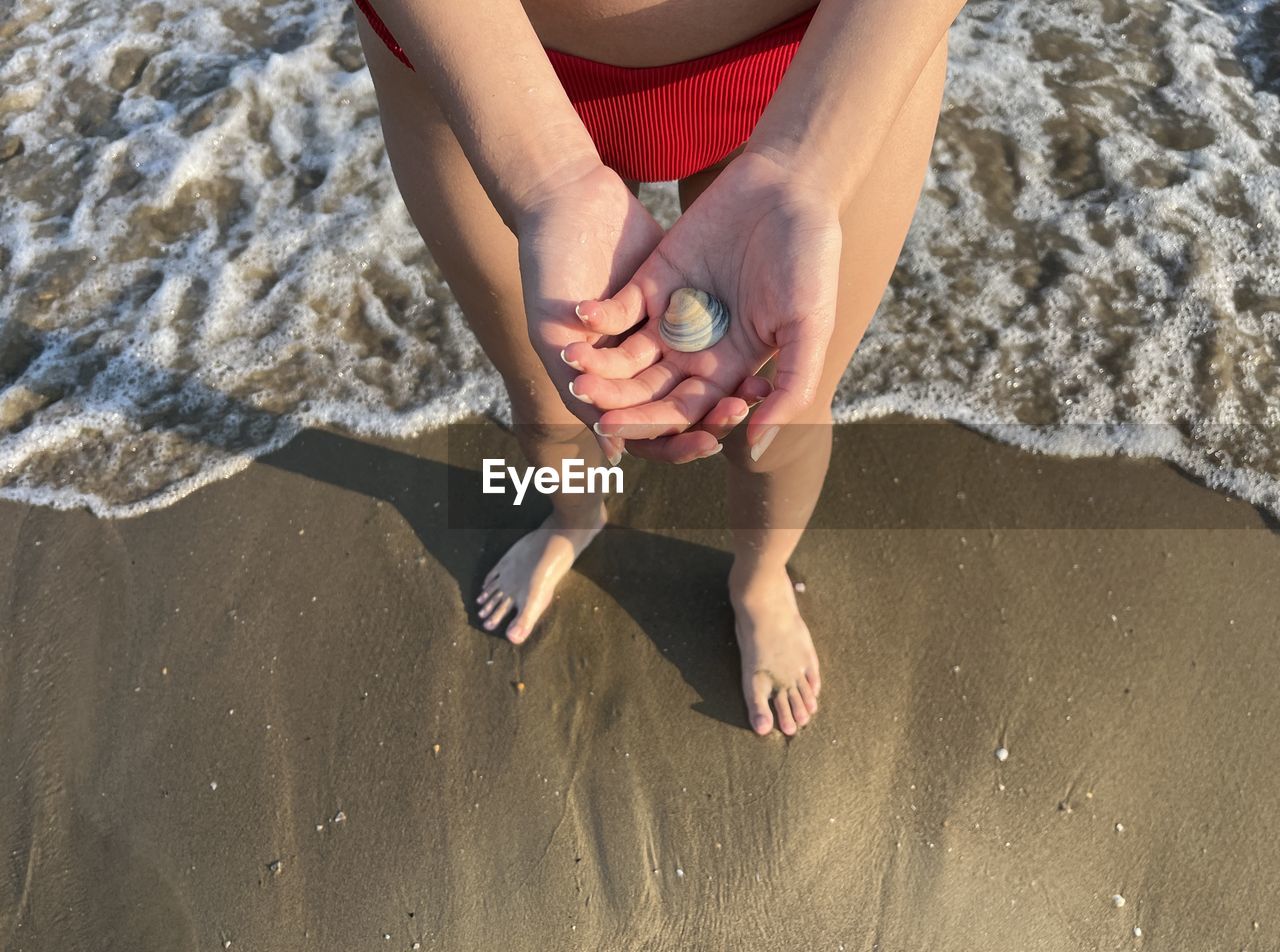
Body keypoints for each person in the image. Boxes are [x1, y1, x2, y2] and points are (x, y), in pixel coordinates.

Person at [352, 0, 964, 736]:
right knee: (554, 396)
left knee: (779, 417)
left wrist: (806, 164)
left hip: (818, 63)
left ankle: (760, 579)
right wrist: (546, 178)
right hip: (477, 57)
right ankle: (575, 515)